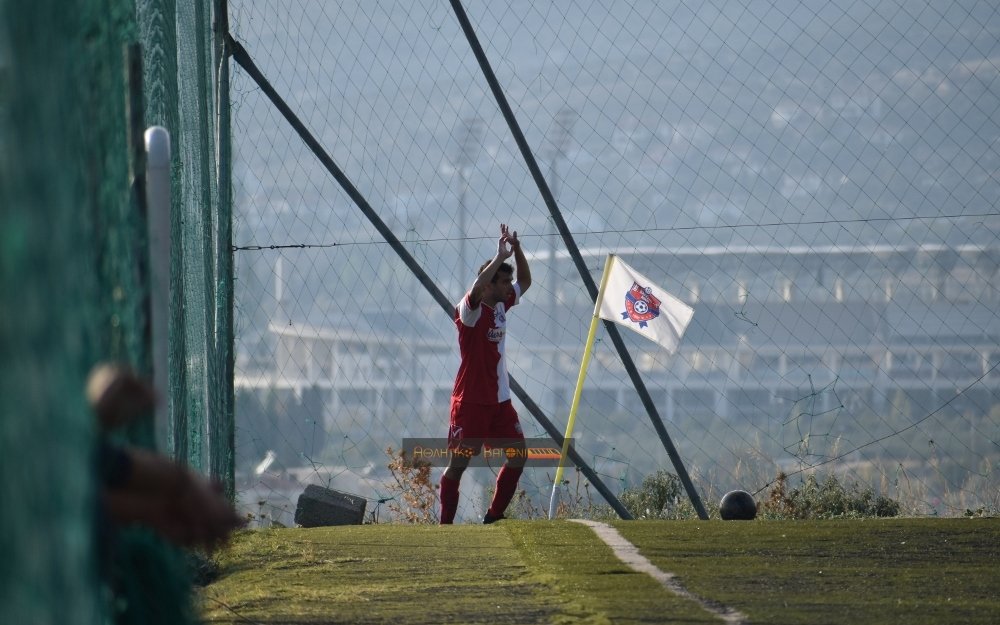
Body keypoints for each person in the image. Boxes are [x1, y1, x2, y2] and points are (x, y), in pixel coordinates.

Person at [439, 223, 531, 524]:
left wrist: (516, 251)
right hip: (471, 402)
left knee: (519, 456)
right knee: (458, 466)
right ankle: (444, 527)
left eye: (508, 283)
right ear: (490, 283)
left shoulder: (502, 305)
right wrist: (497, 256)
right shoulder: (470, 311)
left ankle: (493, 515)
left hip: (500, 402)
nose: (509, 287)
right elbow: (476, 289)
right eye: (504, 282)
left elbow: (526, 282)